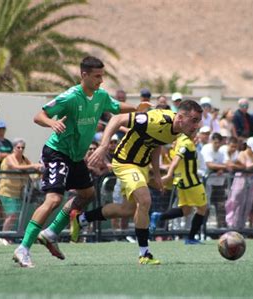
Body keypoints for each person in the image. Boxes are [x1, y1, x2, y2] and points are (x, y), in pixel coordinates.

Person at [13, 56, 150, 268]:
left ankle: (50, 233)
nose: (101, 80)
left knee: (87, 194)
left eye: (102, 76)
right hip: (57, 152)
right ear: (83, 75)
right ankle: (23, 249)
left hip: (76, 157)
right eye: (97, 76)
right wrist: (51, 122)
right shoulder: (70, 97)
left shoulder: (100, 96)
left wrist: (138, 109)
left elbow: (115, 107)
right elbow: (38, 115)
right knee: (53, 200)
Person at [73, 100, 203, 265]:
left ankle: (82, 219)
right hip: (125, 162)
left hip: (142, 166)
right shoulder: (156, 119)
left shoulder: (177, 131)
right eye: (194, 120)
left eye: (198, 121)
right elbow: (117, 119)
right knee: (145, 200)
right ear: (180, 117)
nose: (196, 126)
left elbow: (156, 144)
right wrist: (103, 146)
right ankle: (144, 254)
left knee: (126, 209)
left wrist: (156, 174)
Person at [149, 133, 207, 244]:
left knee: (186, 210)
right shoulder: (186, 143)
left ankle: (159, 216)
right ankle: (190, 238)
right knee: (202, 209)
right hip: (191, 183)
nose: (197, 136)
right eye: (194, 131)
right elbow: (176, 160)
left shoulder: (181, 141)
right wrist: (169, 175)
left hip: (181, 182)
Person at [0, 139, 42, 244]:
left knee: (12, 216)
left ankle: (7, 237)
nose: (21, 149)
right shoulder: (9, 158)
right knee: (11, 215)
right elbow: (16, 167)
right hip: (7, 191)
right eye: (18, 147)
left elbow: (32, 174)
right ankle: (3, 237)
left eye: (23, 148)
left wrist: (40, 174)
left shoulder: (24, 159)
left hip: (18, 192)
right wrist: (33, 166)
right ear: (14, 148)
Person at [225, 137, 253, 229]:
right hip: (240, 180)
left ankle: (241, 226)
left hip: (250, 181)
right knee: (235, 202)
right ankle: (232, 225)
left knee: (247, 203)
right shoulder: (242, 154)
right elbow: (245, 166)